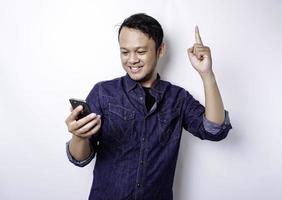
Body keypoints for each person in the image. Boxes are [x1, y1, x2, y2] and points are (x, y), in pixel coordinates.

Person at [65, 13, 232, 200]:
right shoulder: (103, 92)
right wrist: (78, 136)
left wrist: (207, 74)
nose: (132, 60)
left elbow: (214, 130)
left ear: (160, 50)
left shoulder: (178, 98)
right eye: (125, 52)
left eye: (141, 51)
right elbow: (80, 158)